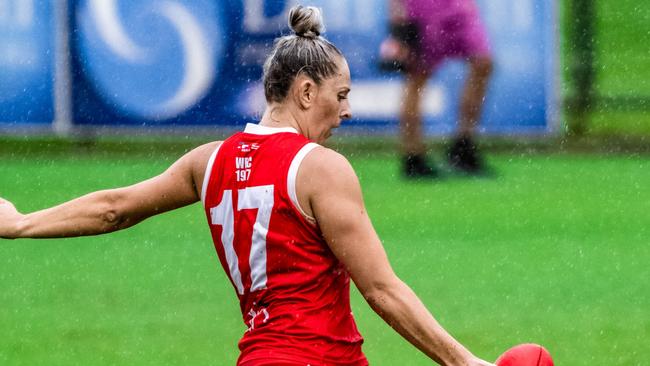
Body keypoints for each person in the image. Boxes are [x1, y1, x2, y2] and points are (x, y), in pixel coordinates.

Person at [0, 6, 496, 366]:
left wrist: (21, 223)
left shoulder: (209, 161)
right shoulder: (320, 168)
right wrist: (463, 362)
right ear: (305, 91)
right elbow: (382, 290)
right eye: (340, 95)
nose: (347, 111)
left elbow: (115, 208)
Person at [388, 0, 494, 177]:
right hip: (423, 8)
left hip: (459, 7)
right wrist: (397, 11)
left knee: (483, 63)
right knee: (417, 76)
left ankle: (463, 146)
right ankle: (413, 155)